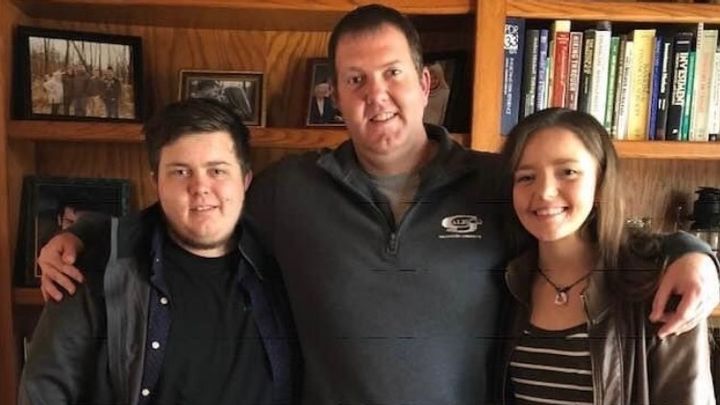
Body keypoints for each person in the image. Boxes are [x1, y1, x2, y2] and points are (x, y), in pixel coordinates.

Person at [37, 5, 720, 405]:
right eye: (355, 80)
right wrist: (88, 236)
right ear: (335, 96)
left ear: (426, 83)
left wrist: (693, 253)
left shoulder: (500, 182)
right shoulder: (288, 190)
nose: (377, 94)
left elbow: (590, 225)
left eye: (392, 73)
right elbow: (196, 215)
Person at [21, 98, 296, 405]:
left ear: (245, 180)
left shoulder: (284, 261)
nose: (200, 187)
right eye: (180, 172)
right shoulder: (99, 266)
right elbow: (44, 391)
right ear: (156, 182)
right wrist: (83, 233)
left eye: (217, 170)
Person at [500, 108, 715, 404]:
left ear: (600, 182)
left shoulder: (661, 287)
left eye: (568, 172)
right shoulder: (507, 283)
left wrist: (698, 254)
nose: (545, 192)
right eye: (526, 177)